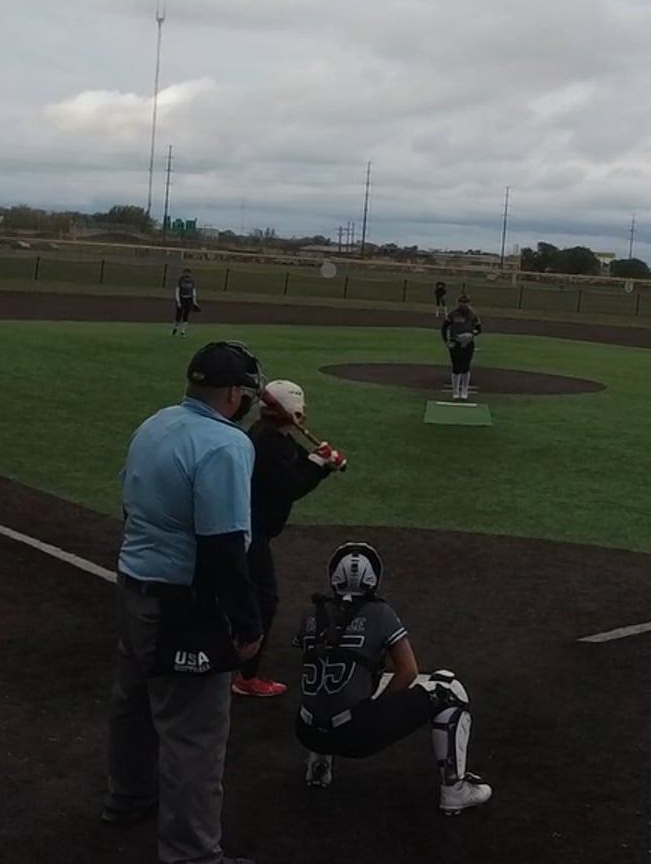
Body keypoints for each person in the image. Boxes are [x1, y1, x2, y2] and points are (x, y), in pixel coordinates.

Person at [102, 340, 266, 864]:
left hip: (134, 584)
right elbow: (224, 545)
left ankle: (128, 797)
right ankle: (192, 854)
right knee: (194, 735)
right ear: (234, 393)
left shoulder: (156, 423)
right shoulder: (226, 445)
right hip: (183, 604)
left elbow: (129, 506)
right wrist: (247, 623)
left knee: (133, 705)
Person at [293, 542, 493, 816]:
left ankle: (319, 765)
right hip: (354, 736)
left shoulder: (310, 614)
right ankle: (454, 789)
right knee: (448, 690)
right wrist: (376, 709)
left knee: (333, 676)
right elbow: (408, 671)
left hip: (306, 731)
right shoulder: (380, 613)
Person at [233, 379, 347, 699]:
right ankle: (246, 675)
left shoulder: (274, 437)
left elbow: (299, 460)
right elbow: (291, 485)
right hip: (249, 531)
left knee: (248, 594)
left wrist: (322, 460)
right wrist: (320, 465)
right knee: (264, 599)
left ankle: (235, 650)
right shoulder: (266, 443)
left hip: (252, 529)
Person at [440, 294, 482, 400]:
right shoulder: (452, 315)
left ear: (469, 303)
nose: (463, 305)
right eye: (461, 302)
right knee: (456, 367)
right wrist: (446, 341)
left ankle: (464, 391)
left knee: (466, 367)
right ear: (458, 303)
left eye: (465, 302)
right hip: (455, 343)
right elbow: (444, 328)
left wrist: (471, 334)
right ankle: (455, 391)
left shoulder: (473, 315)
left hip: (468, 343)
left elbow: (479, 329)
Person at [172, 270, 201, 337]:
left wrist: (194, 302)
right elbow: (177, 290)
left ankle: (183, 331)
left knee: (186, 314)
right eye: (186, 273)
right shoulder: (181, 280)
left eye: (188, 273)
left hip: (189, 299)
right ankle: (175, 328)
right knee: (178, 314)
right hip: (182, 298)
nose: (187, 275)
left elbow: (193, 291)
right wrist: (178, 301)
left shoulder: (192, 281)